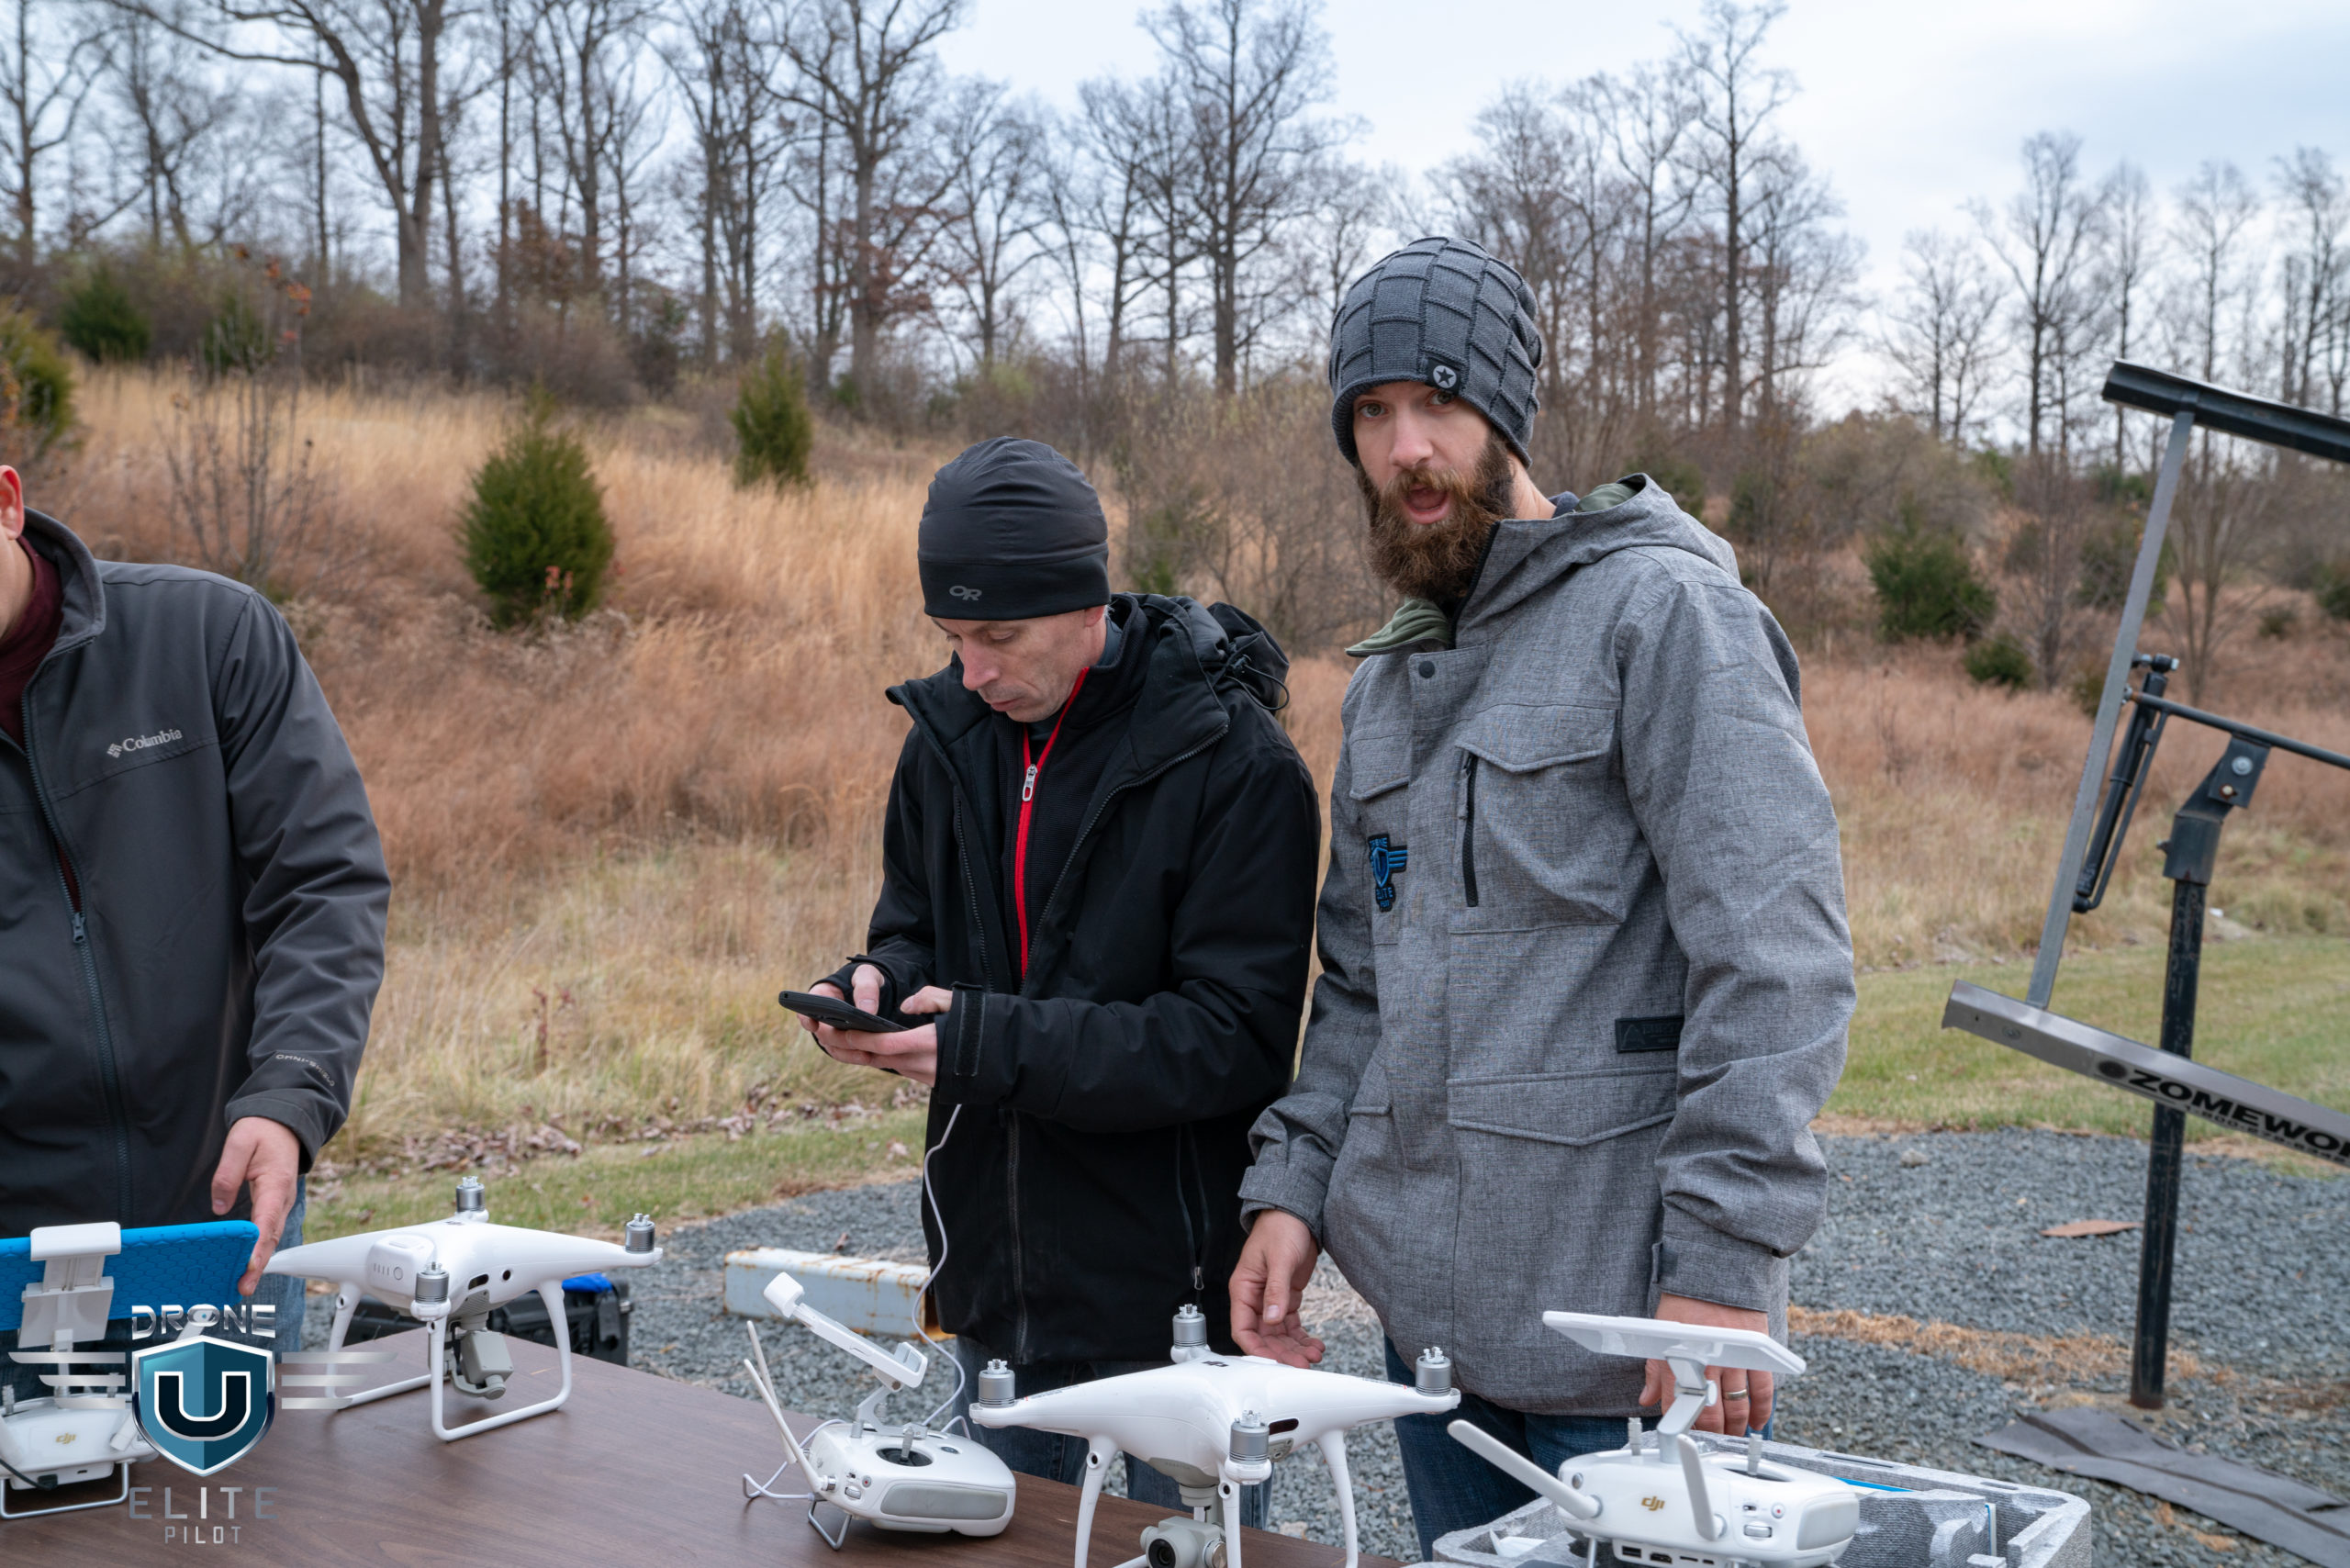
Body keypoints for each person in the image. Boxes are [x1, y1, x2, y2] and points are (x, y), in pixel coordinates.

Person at [1229, 237, 1853, 1556]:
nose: (1406, 448)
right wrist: (1293, 1190)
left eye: (1438, 403)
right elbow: (1360, 987)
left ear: (1506, 412)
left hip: (1631, 1351)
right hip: (1436, 1356)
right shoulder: (1390, 682)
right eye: (1371, 414)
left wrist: (1723, 1267)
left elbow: (1777, 960)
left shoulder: (1665, 615)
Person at [796, 438, 1318, 1522]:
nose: (972, 672)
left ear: (1088, 606)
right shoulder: (945, 740)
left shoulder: (1235, 762)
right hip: (996, 1287)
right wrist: (877, 981)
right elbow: (915, 930)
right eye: (952, 638)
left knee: (1195, 1554)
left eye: (998, 637)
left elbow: (1230, 1039)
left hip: (1176, 1312)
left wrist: (984, 1043)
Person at [0, 467, 387, 1384]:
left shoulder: (209, 634)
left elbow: (323, 883)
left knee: (231, 1475)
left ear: (7, 503)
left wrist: (289, 1095)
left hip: (221, 1216)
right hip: (18, 1257)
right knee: (48, 1480)